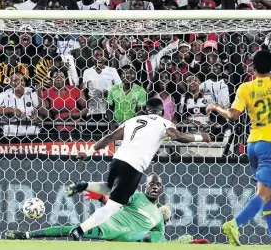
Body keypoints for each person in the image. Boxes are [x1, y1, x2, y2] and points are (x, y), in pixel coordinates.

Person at [205, 16, 271, 247]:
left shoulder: (245, 87)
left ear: (252, 68)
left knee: (268, 192)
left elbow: (233, 115)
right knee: (263, 194)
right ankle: (235, 223)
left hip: (252, 144)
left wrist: (215, 107)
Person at [66, 98, 210, 240]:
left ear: (146, 110)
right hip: (133, 166)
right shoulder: (163, 122)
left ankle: (84, 185)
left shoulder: (132, 121)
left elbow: (110, 137)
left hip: (117, 160)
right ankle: (79, 230)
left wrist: (88, 152)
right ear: (163, 111)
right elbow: (177, 135)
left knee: (111, 188)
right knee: (111, 208)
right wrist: (201, 137)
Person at [6, 174, 191, 243]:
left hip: (131, 236)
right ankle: (26, 235)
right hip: (110, 227)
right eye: (152, 184)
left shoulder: (159, 217)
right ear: (146, 186)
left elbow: (161, 238)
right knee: (73, 229)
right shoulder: (137, 196)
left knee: (158, 236)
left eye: (158, 185)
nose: (155, 187)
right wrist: (101, 197)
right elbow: (116, 201)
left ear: (162, 189)